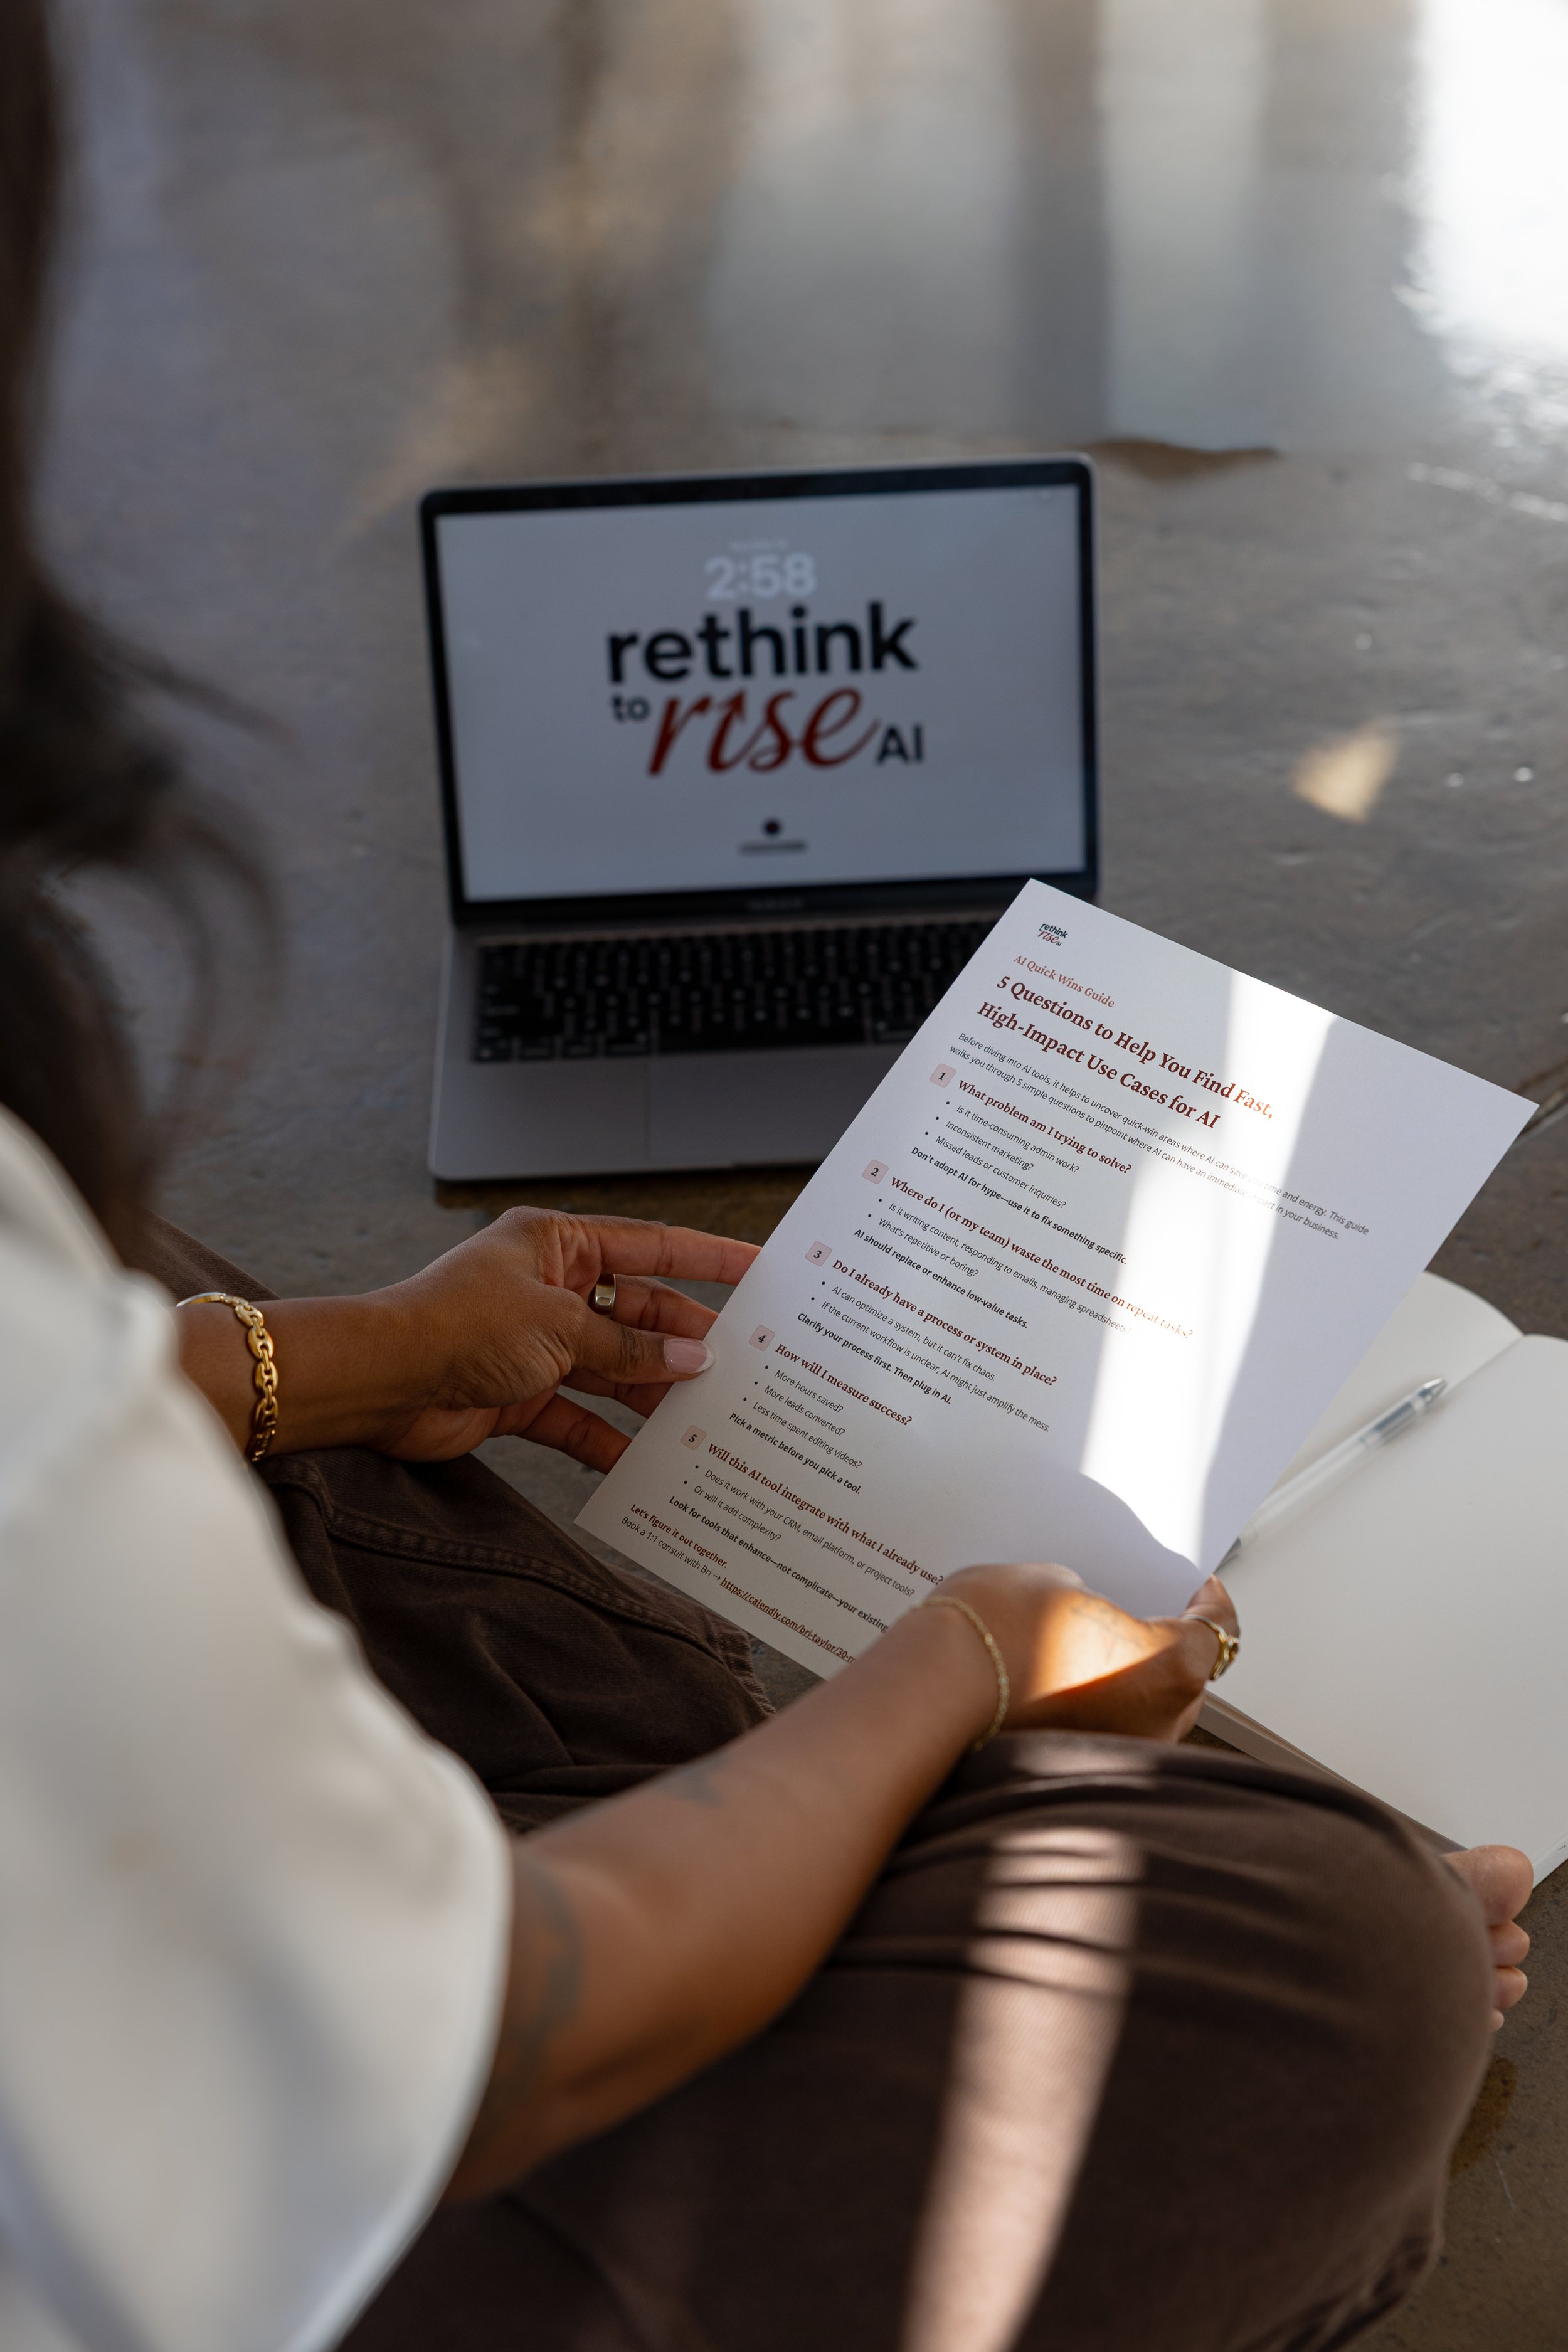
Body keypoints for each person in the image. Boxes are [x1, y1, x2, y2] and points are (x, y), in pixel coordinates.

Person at [0, 8, 1531, 2349]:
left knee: (154, 1296)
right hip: (270, 2166)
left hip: (160, 1896)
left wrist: (343, 1359)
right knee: (1346, 1962)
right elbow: (508, 2031)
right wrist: (958, 1659)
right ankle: (898, 1807)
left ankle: (790, 1785)